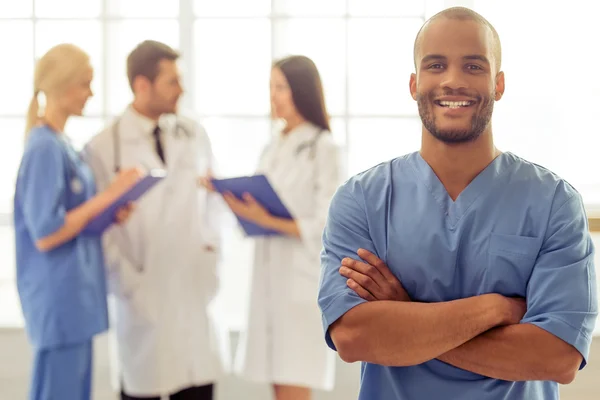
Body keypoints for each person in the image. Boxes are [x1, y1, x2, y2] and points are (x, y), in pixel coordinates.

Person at [318, 7, 598, 400]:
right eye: (436, 65)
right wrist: (496, 308)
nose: (453, 81)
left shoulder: (553, 202)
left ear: (498, 84)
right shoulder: (362, 200)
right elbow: (353, 336)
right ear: (414, 84)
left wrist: (406, 318)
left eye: (473, 66)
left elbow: (557, 357)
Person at [82, 40, 227, 400]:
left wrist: (209, 251)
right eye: (172, 82)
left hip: (192, 288)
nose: (182, 89)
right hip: (141, 294)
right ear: (142, 85)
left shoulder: (194, 133)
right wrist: (128, 281)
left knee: (197, 387)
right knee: (142, 387)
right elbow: (100, 226)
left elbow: (212, 200)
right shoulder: (102, 147)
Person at [13, 43, 141, 400]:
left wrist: (109, 216)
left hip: (75, 298)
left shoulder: (63, 144)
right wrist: (109, 194)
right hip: (59, 301)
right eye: (85, 84)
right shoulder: (43, 148)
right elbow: (46, 233)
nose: (91, 93)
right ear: (62, 86)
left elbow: (73, 222)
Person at [222, 55, 340, 400]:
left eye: (281, 87)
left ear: (301, 91)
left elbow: (326, 224)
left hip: (298, 282)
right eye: (271, 88)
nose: (273, 96)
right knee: (277, 380)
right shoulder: (272, 146)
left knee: (293, 376)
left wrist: (267, 220)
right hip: (269, 278)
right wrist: (240, 207)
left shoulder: (323, 147)